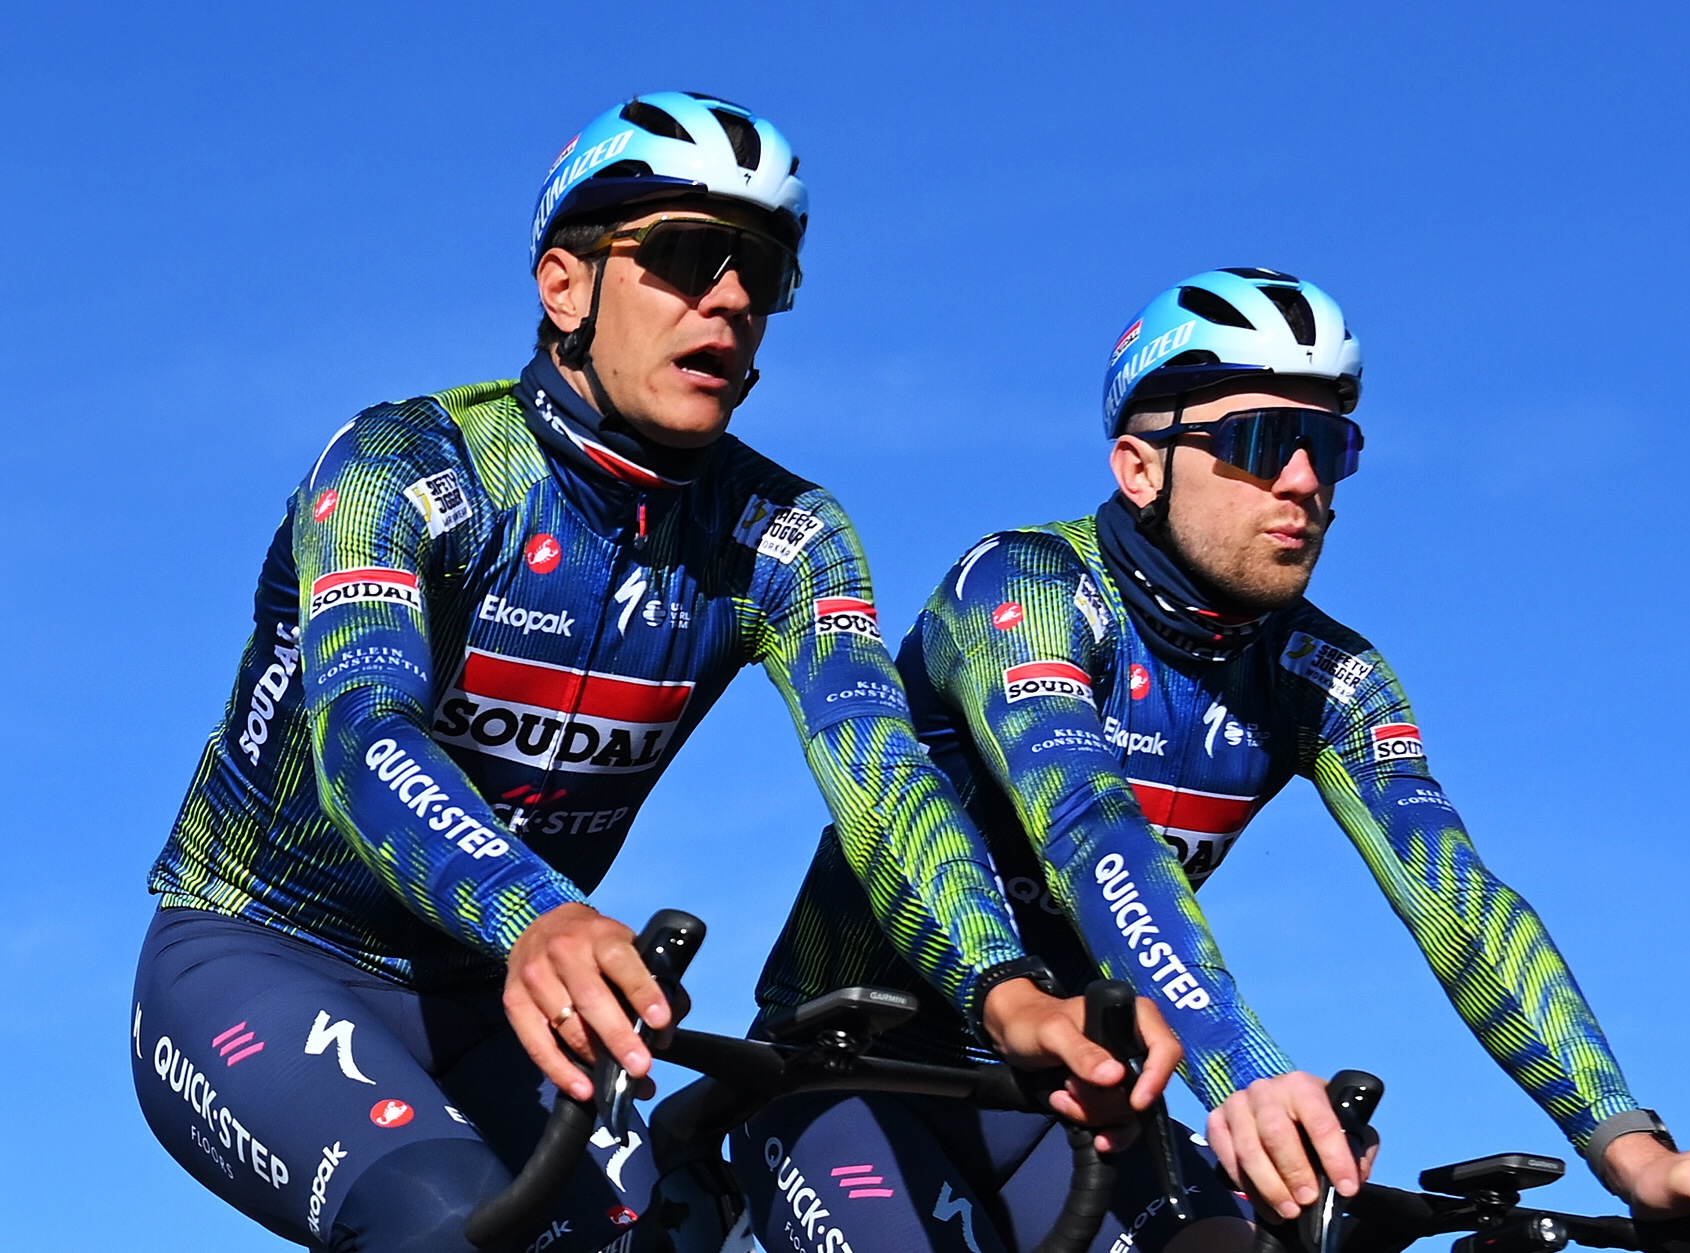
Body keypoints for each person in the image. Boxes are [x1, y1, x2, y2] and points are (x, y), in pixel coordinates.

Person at [130, 92, 1170, 1253]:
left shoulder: (785, 536)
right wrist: (538, 910)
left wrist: (1001, 985)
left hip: (509, 1004)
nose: (728, 299)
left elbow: (886, 782)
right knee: (437, 1220)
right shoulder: (405, 464)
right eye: (683, 257)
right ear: (563, 285)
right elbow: (362, 732)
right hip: (268, 951)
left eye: (761, 273)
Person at [744, 268, 1690, 1253]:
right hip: (853, 1064)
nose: (1302, 480)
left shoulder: (1330, 674)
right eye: (1258, 441)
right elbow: (1088, 822)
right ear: (1140, 466)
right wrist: (1243, 1071)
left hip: (1088, 1099)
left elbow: (1463, 903)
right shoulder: (1022, 584)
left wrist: (1631, 1148)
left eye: (1327, 445)